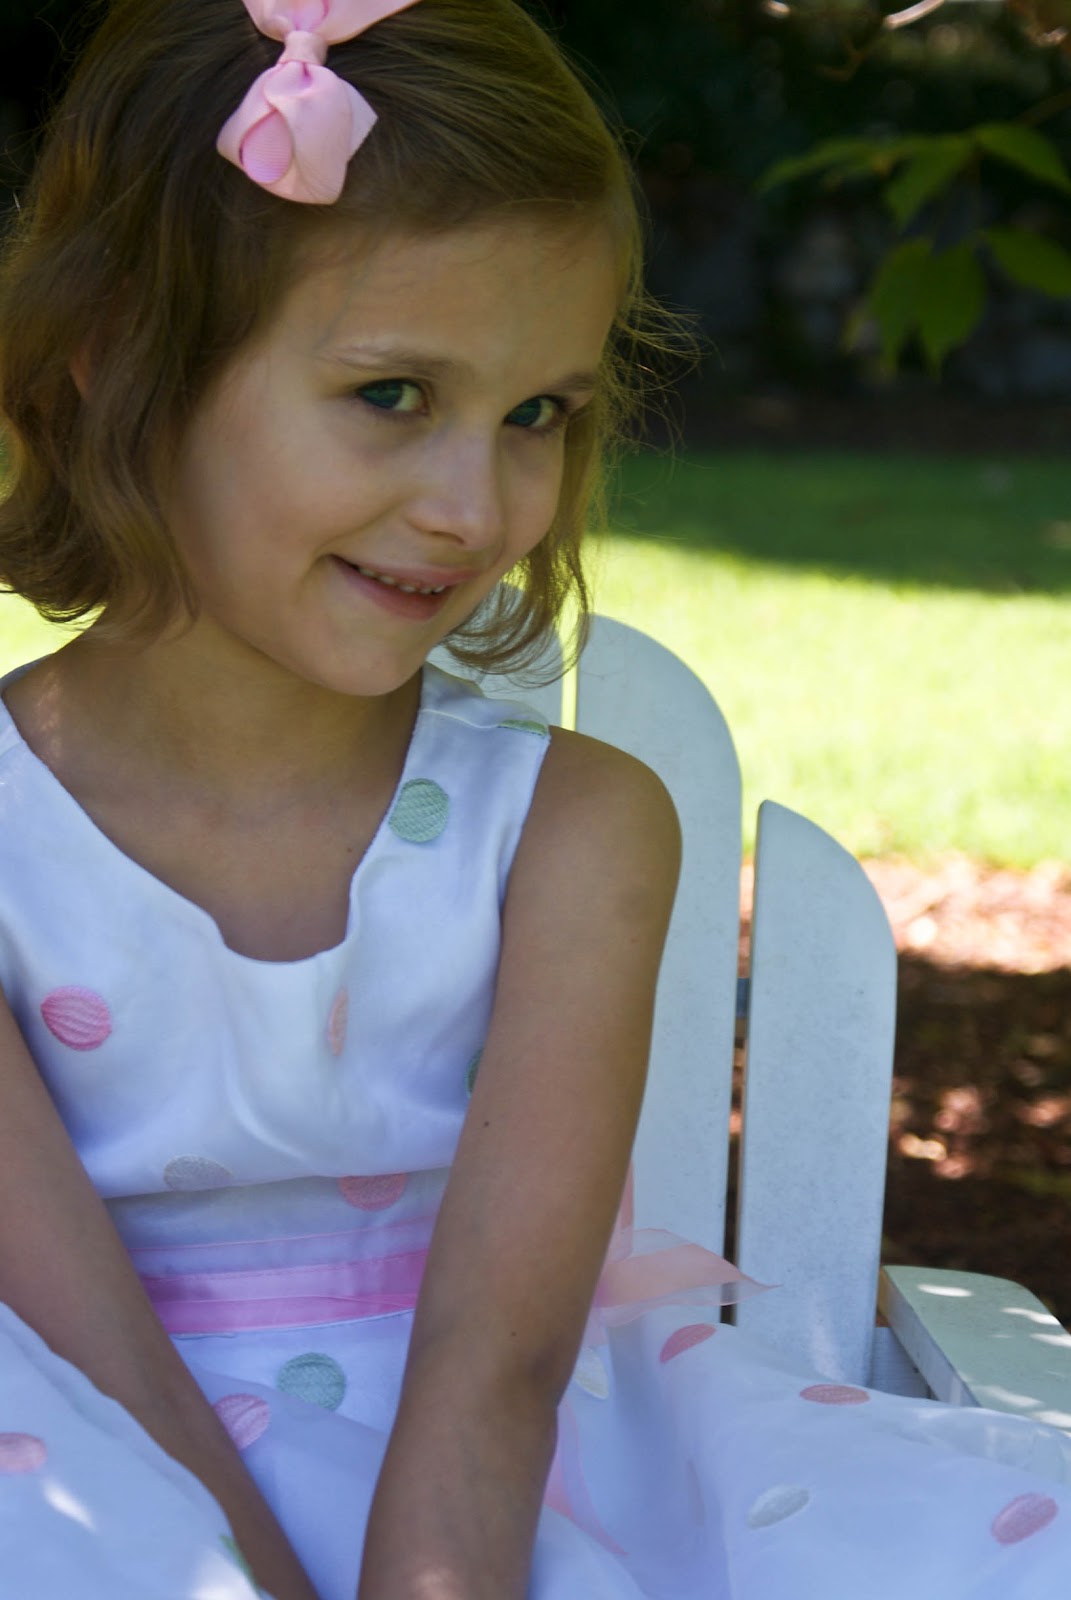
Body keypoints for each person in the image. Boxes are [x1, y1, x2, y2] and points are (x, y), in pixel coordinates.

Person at [0, 1, 1070, 1596]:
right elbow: (96, 1359)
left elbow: (495, 1366)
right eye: (391, 394)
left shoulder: (569, 834)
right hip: (78, 1463)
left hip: (511, 1480)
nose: (474, 505)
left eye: (536, 415)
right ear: (116, 364)